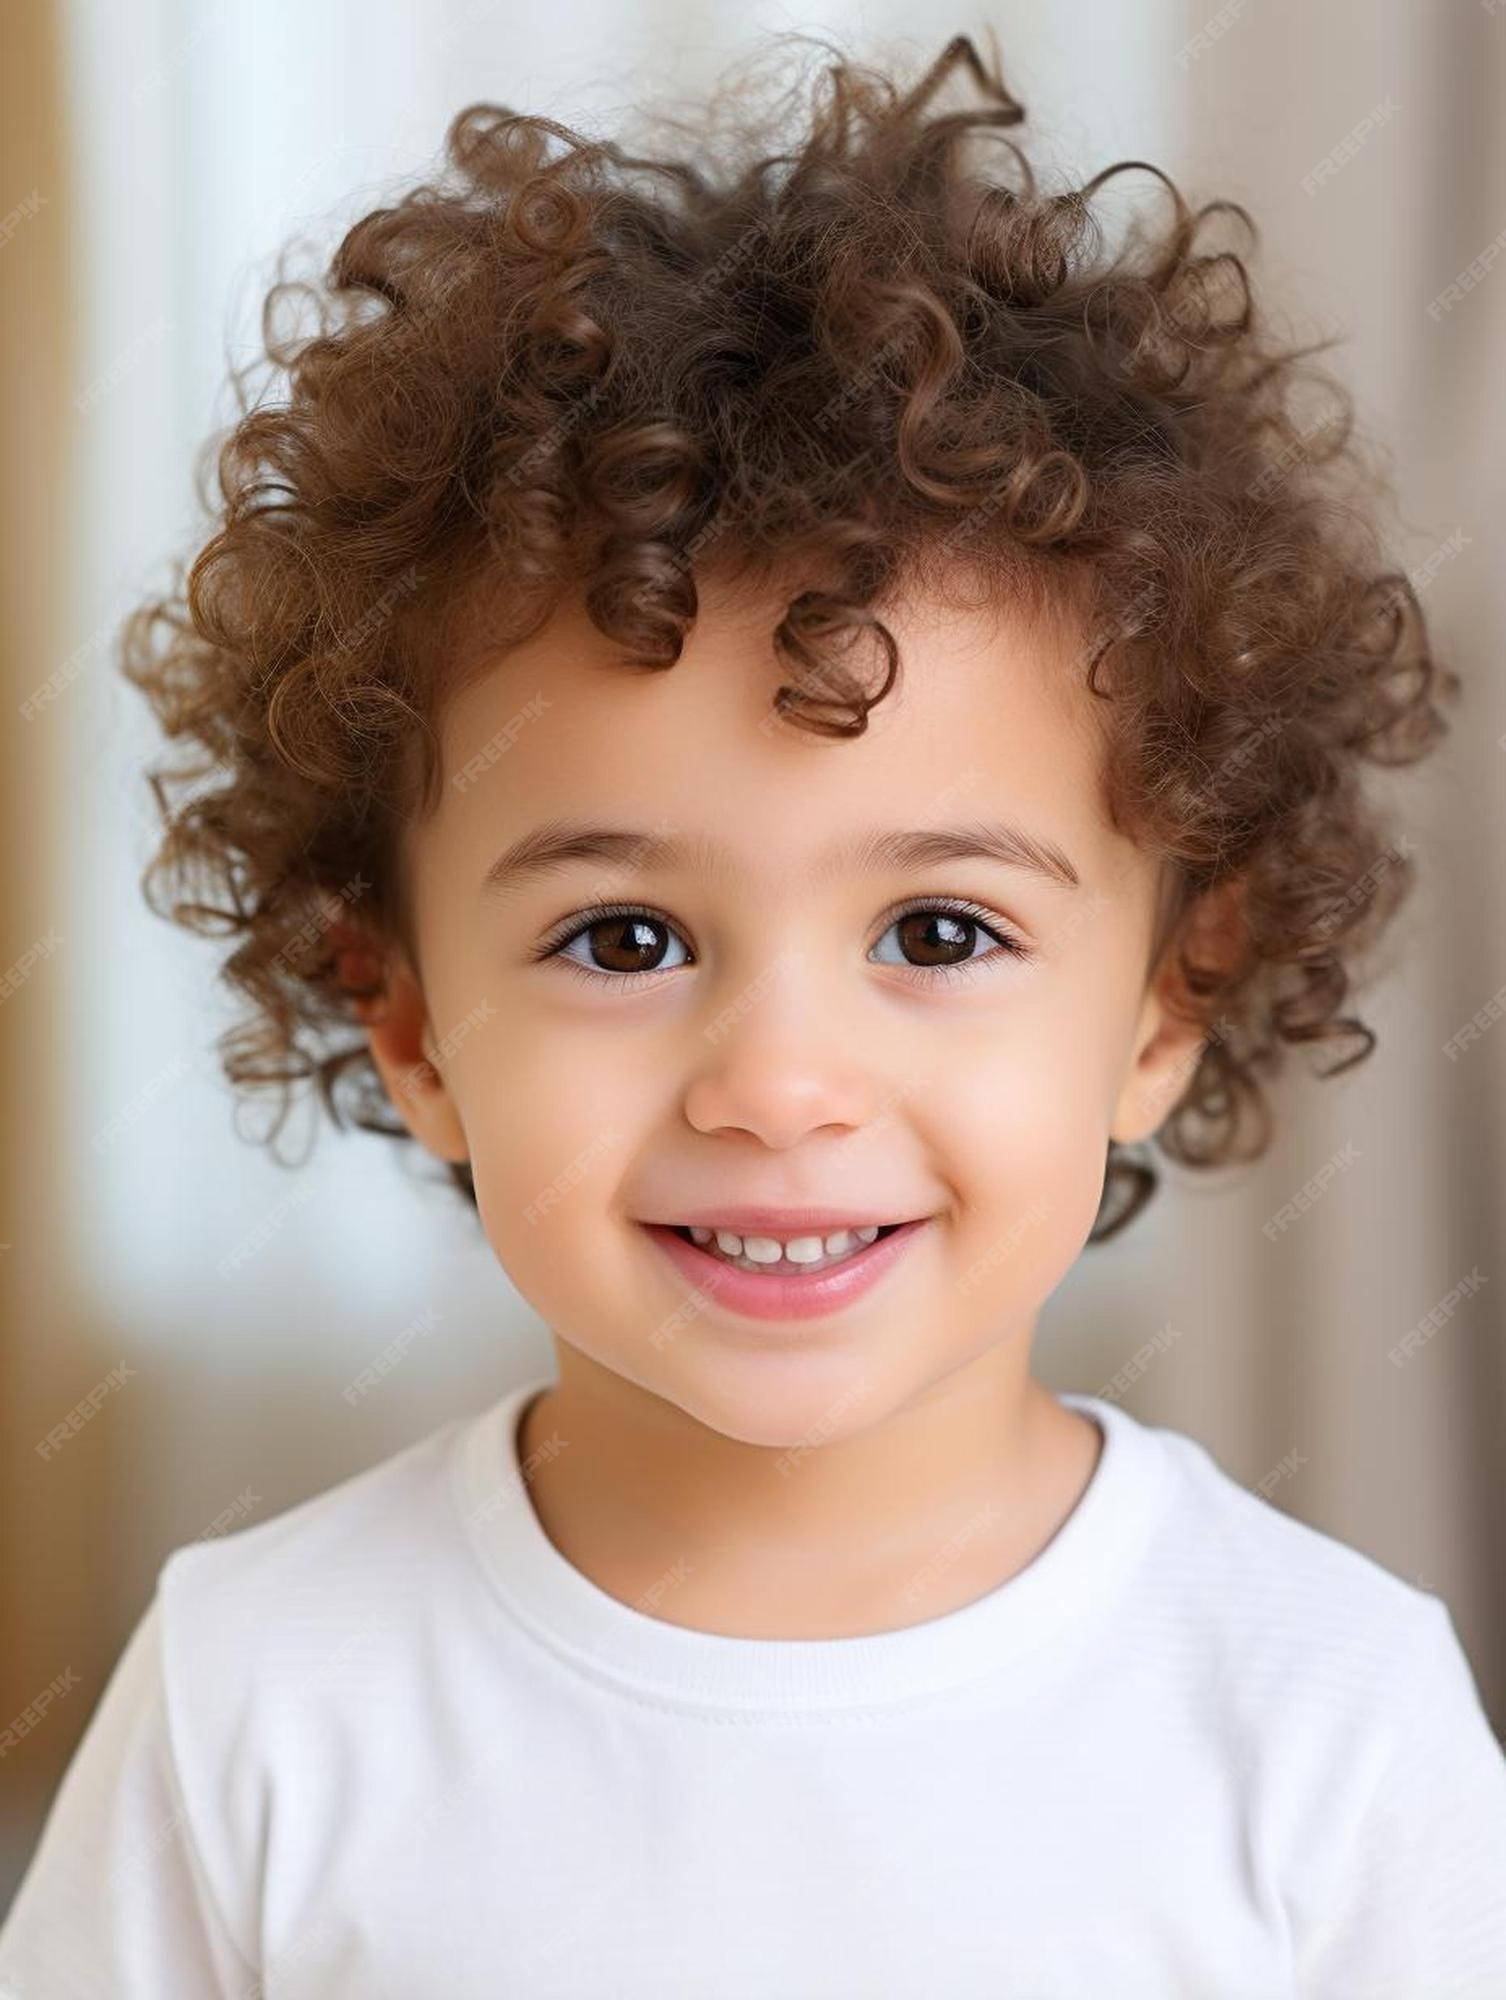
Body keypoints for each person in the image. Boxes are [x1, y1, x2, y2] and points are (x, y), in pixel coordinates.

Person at [4, 28, 1503, 1997]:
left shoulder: (1328, 1723)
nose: (784, 1085)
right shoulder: (252, 1699)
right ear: (409, 1018)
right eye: (625, 940)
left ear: (1167, 995)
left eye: (941, 932)